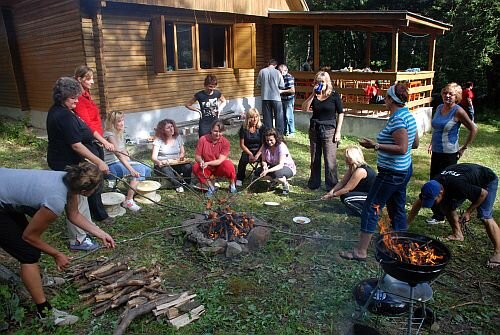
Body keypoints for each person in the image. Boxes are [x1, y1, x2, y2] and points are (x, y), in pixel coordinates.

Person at [0, 162, 115, 325]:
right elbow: (29, 237)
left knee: (28, 248)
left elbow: (74, 215)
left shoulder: (69, 179)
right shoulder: (55, 201)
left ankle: (38, 279)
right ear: (84, 192)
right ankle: (45, 313)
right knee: (28, 254)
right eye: (94, 190)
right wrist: (57, 254)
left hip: (5, 194)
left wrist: (101, 233)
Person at [339, 83, 418, 261]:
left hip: (391, 173)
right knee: (396, 209)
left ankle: (360, 251)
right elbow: (415, 143)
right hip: (404, 170)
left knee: (371, 208)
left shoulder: (398, 119)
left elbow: (403, 147)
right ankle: (400, 248)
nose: (384, 99)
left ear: (391, 99)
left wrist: (376, 145)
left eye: (386, 97)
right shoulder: (408, 116)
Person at [46, 77, 110, 251]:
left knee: (79, 200)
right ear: (62, 97)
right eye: (73, 97)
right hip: (66, 164)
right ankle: (78, 240)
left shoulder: (62, 111)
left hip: (69, 162)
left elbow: (84, 131)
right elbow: (76, 144)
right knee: (76, 200)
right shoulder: (62, 116)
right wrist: (98, 162)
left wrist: (102, 141)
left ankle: (84, 233)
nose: (76, 100)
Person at [408, 163, 500, 268]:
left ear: (441, 191)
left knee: (485, 215)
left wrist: (469, 211)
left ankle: (498, 253)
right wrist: (406, 224)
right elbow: (418, 204)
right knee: (446, 205)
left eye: (433, 201)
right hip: (465, 178)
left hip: (487, 180)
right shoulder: (432, 186)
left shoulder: (457, 185)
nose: (433, 204)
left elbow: (483, 194)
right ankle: (458, 235)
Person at [426, 83, 477, 225]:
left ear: (457, 97)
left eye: (451, 94)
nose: (447, 96)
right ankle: (437, 213)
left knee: (445, 184)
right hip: (436, 151)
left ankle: (442, 215)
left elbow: (473, 129)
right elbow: (436, 128)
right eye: (445, 93)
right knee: (434, 180)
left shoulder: (458, 111)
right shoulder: (439, 108)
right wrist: (431, 142)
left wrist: (463, 148)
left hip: (449, 154)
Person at [73, 65, 115, 224]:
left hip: (95, 140)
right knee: (94, 177)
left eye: (92, 78)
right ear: (79, 79)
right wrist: (104, 141)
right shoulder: (78, 99)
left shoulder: (87, 95)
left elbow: (95, 120)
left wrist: (101, 138)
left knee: (99, 176)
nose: (92, 82)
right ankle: (99, 214)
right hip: (88, 142)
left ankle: (95, 209)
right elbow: (88, 126)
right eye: (88, 79)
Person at [302, 71, 344, 190]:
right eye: (317, 81)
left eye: (322, 82)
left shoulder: (334, 95)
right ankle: (314, 183)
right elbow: (304, 109)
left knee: (330, 159)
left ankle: (332, 185)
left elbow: (340, 113)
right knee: (315, 157)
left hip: (329, 129)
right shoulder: (315, 95)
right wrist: (312, 95)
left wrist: (338, 131)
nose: (319, 84)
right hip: (315, 129)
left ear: (327, 82)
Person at [103, 111, 151, 210]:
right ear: (112, 123)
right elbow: (118, 154)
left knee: (147, 168)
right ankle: (128, 201)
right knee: (140, 169)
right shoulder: (109, 134)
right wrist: (131, 170)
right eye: (119, 121)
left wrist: (131, 162)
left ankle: (135, 190)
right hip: (110, 166)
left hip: (118, 163)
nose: (122, 123)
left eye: (123, 120)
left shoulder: (119, 133)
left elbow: (124, 152)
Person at [322, 146, 376, 216]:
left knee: (347, 198)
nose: (345, 159)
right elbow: (342, 182)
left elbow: (347, 189)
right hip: (363, 193)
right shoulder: (352, 168)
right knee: (343, 195)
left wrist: (332, 195)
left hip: (373, 196)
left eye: (347, 157)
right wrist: (331, 192)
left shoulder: (360, 171)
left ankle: (366, 212)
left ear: (352, 158)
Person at [192, 120, 237, 197]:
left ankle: (232, 185)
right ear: (211, 130)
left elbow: (220, 160)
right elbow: (197, 156)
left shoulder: (225, 142)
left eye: (220, 132)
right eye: (215, 131)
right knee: (196, 167)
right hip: (207, 167)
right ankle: (211, 187)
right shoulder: (203, 139)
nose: (218, 134)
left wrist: (208, 163)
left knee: (229, 165)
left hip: (218, 166)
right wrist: (201, 161)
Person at [152, 119, 192, 193]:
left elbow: (182, 152)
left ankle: (187, 183)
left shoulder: (178, 137)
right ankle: (178, 185)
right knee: (166, 169)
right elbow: (153, 157)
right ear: (163, 130)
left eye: (172, 126)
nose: (171, 129)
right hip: (162, 165)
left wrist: (181, 157)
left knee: (188, 166)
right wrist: (159, 162)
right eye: (168, 128)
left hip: (176, 163)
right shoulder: (158, 140)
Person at [255, 128, 296, 195]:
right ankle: (275, 181)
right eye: (267, 140)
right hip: (273, 167)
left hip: (286, 167)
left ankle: (284, 184)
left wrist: (268, 171)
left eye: (271, 140)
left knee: (277, 174)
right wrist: (265, 167)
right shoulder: (265, 146)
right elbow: (263, 160)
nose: (269, 142)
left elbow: (280, 165)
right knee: (257, 173)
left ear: (276, 139)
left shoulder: (281, 146)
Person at [236, 108, 265, 186]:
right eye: (252, 117)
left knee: (265, 159)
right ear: (248, 118)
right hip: (248, 150)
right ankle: (240, 178)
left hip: (259, 150)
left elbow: (264, 144)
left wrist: (257, 155)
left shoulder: (262, 127)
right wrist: (250, 154)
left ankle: (266, 175)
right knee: (243, 160)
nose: (255, 119)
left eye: (256, 116)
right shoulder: (244, 128)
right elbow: (242, 144)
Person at [256, 59, 285, 133]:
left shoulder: (262, 71)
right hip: (276, 98)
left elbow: (258, 84)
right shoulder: (278, 72)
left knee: (267, 118)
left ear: (268, 64)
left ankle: (268, 133)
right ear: (275, 65)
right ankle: (279, 134)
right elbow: (282, 85)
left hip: (265, 97)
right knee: (279, 117)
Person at [278, 64, 296, 136]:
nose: (281, 72)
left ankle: (292, 132)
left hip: (289, 99)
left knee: (289, 115)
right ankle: (285, 131)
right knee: (283, 116)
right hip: (282, 98)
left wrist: (281, 91)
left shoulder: (289, 77)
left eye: (283, 71)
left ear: (286, 70)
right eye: (280, 71)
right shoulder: (280, 77)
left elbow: (292, 90)